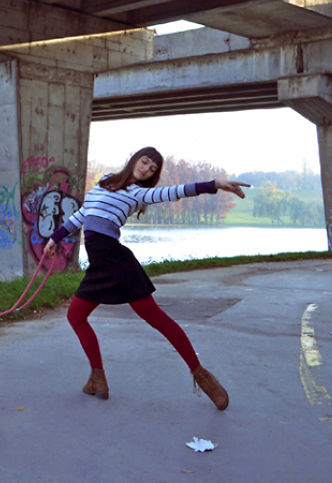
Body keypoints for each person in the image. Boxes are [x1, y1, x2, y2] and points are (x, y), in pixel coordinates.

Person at [43, 146, 250, 410]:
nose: (146, 169)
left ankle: (201, 375)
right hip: (100, 264)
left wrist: (215, 184)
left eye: (152, 169)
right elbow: (82, 215)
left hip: (117, 262)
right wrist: (55, 239)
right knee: (76, 316)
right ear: (134, 160)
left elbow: (172, 192)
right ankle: (98, 378)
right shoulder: (104, 182)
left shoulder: (138, 193)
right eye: (144, 162)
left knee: (155, 318)